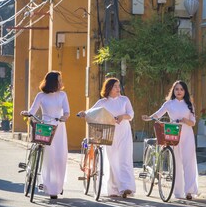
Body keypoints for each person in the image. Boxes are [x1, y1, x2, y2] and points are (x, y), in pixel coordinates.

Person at [78, 77, 135, 198]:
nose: (118, 88)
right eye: (115, 86)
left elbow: (131, 114)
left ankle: (126, 187)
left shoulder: (125, 100)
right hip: (109, 133)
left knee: (125, 158)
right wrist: (83, 113)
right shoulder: (102, 102)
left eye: (119, 86)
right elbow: (91, 112)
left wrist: (122, 116)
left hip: (124, 132)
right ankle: (114, 189)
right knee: (112, 160)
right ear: (109, 88)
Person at [142, 80, 199, 200]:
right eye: (176, 89)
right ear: (173, 91)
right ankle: (178, 192)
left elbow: (193, 122)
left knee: (189, 163)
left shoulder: (189, 104)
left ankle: (189, 191)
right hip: (173, 133)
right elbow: (157, 115)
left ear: (185, 91)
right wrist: (148, 118)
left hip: (187, 135)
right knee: (176, 162)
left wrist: (184, 120)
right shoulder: (169, 104)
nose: (179, 91)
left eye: (181, 89)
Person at [21, 71, 70, 200]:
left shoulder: (62, 95)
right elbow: (32, 111)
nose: (61, 82)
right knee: (48, 158)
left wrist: (64, 117)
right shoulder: (41, 96)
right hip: (45, 128)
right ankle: (49, 187)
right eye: (58, 80)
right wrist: (27, 113)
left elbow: (67, 112)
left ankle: (58, 185)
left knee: (60, 157)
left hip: (59, 128)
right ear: (53, 82)